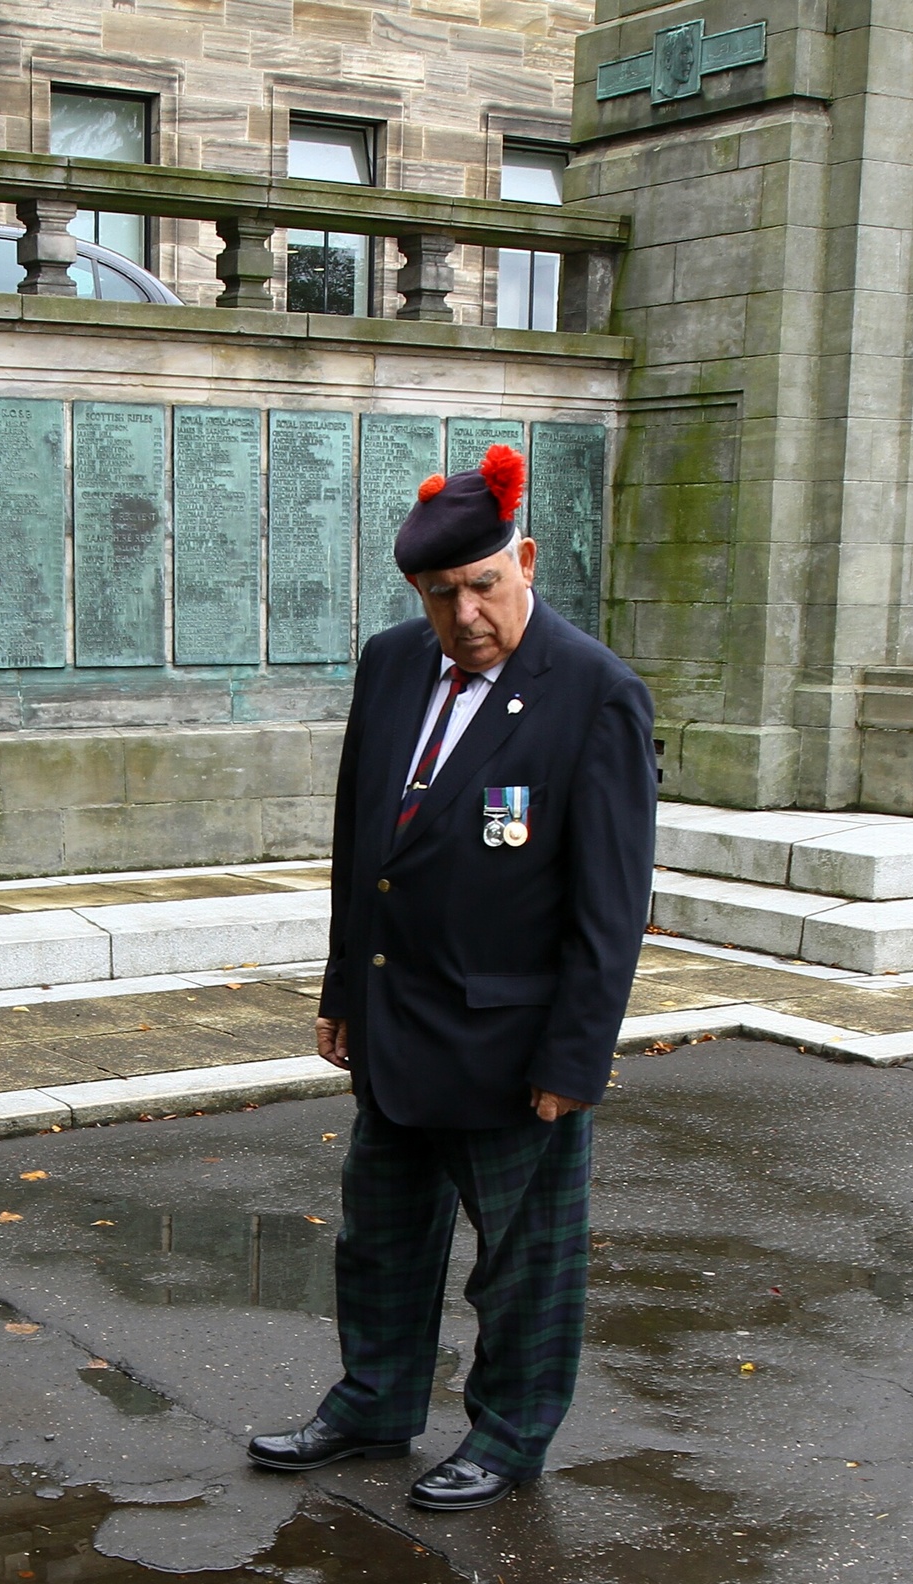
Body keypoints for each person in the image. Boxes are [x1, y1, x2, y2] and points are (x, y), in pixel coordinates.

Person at [248, 441, 657, 1512]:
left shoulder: (595, 695)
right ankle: (375, 1403)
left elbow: (610, 906)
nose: (465, 613)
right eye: (442, 596)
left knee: (522, 1265)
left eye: (483, 585)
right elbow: (361, 841)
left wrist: (577, 1054)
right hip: (398, 1022)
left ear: (523, 560)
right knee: (378, 1239)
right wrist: (344, 988)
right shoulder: (392, 664)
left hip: (513, 1043)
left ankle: (510, 1435)